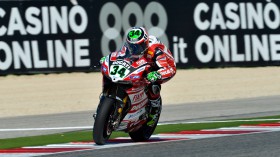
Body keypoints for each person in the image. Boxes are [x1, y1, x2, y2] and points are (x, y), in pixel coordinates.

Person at [100, 26, 176, 126]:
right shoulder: (129, 46)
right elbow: (120, 56)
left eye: (138, 46)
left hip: (162, 66)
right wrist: (108, 60)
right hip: (143, 61)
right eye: (132, 46)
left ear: (145, 43)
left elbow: (170, 69)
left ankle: (155, 108)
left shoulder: (155, 50)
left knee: (152, 83)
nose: (134, 49)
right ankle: (107, 93)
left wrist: (157, 74)